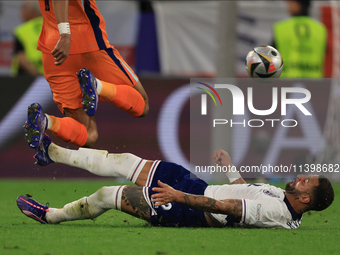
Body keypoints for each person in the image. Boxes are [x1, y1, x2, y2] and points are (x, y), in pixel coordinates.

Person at [17, 135, 334, 229]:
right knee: (125, 160)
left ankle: (50, 215)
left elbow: (226, 207)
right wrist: (230, 168)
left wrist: (178, 196)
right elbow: (244, 190)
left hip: (188, 209)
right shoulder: (280, 196)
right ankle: (52, 152)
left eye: (308, 183)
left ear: (307, 199)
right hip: (195, 186)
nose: (302, 178)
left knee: (106, 195)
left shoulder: (277, 213)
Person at [24, 0, 149, 150]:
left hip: (53, 52)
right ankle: (98, 86)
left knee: (89, 135)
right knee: (142, 103)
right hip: (87, 43)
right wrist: (65, 34)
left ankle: (45, 121)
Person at [272, 0, 327, 78]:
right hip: (314, 83)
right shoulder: (320, 29)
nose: (288, 4)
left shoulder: (282, 28)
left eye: (290, 2)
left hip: (287, 82)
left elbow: (269, 56)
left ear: (297, 4)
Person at [11, 0, 43, 77]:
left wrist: (37, 75)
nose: (21, 14)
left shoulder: (22, 30)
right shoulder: (55, 27)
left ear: (33, 10)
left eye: (24, 9)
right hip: (55, 77)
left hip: (28, 78)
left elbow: (21, 57)